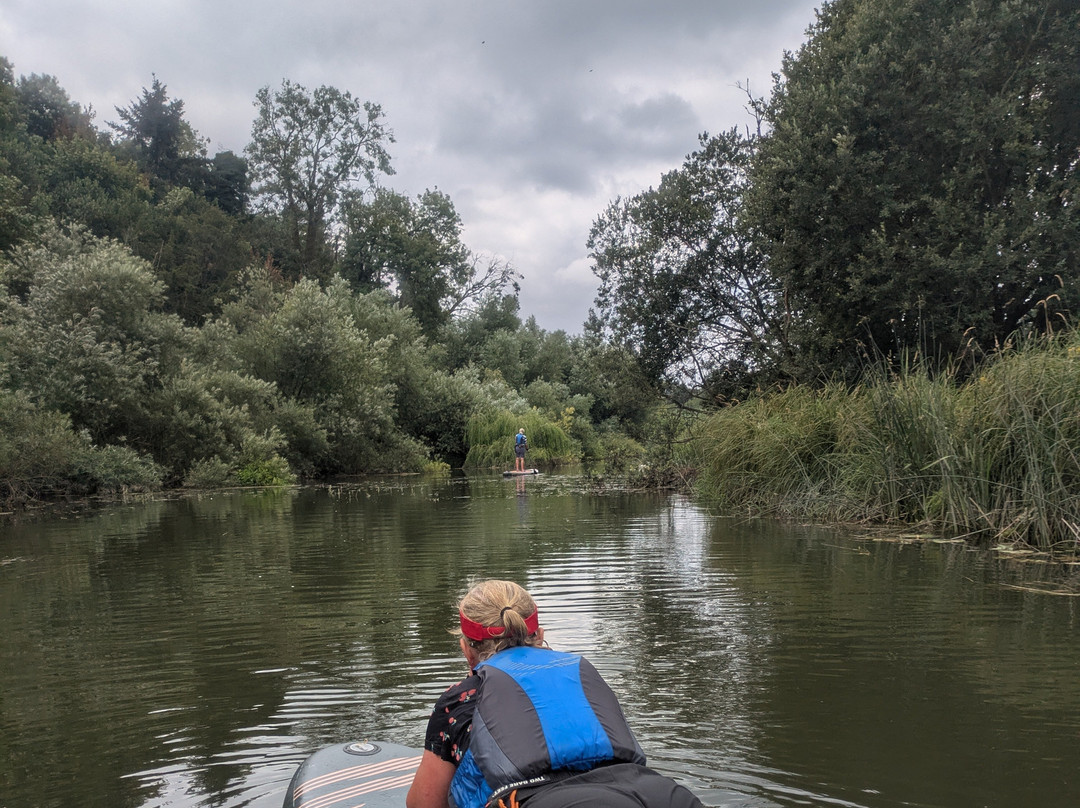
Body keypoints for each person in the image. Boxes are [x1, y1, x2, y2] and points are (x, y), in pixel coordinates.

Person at [406, 580, 703, 808]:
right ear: (541, 634)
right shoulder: (580, 674)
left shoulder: (460, 699)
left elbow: (423, 804)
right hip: (663, 795)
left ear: (466, 649)